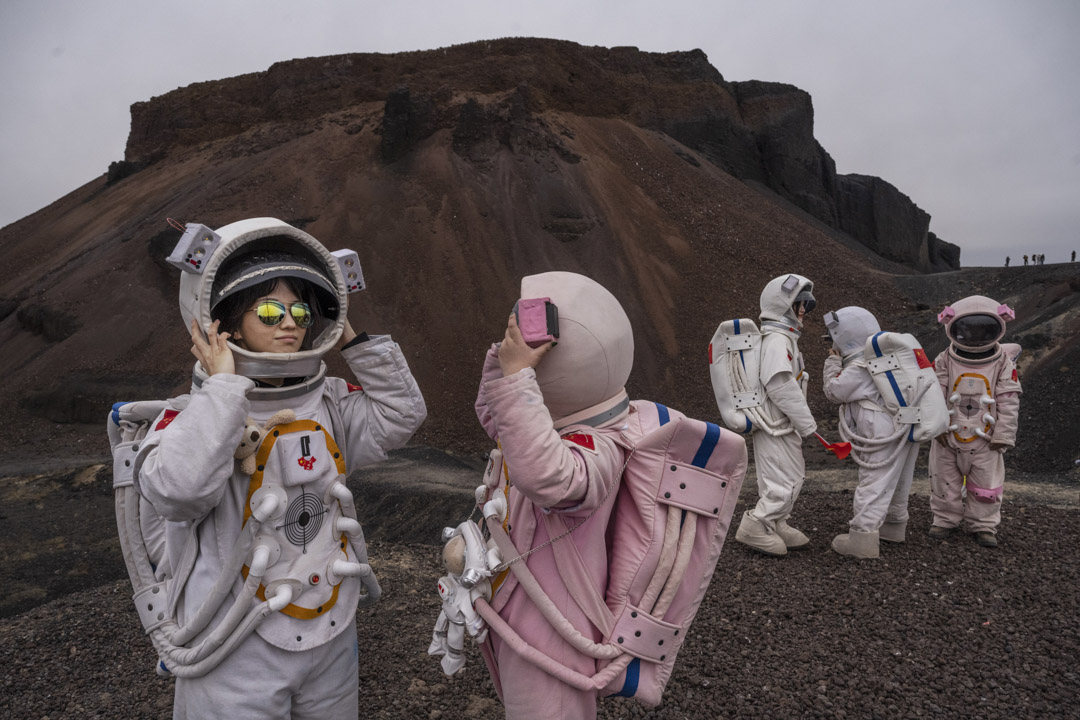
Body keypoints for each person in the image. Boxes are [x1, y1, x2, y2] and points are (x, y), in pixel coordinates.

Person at [132, 218, 427, 718]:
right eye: (268, 311)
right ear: (223, 323)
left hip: (329, 625)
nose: (289, 323)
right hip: (233, 641)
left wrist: (346, 328)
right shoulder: (189, 419)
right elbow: (179, 494)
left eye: (300, 309)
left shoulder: (327, 401)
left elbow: (401, 415)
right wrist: (224, 391)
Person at [472, 272, 634, 719]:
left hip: (557, 628)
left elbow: (549, 479)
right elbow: (497, 414)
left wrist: (518, 374)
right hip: (523, 609)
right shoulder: (549, 424)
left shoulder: (602, 444)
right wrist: (505, 361)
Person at [822, 307, 919, 559]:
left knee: (874, 478)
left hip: (880, 427)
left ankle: (862, 538)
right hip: (905, 423)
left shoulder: (860, 364)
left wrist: (832, 362)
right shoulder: (890, 357)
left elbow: (835, 391)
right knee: (898, 478)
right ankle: (893, 527)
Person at [733, 274, 818, 556]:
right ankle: (756, 524)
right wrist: (806, 424)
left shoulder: (782, 340)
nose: (804, 310)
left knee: (785, 475)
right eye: (798, 304)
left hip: (780, 423)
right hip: (775, 423)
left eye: (805, 304)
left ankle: (776, 522)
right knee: (785, 478)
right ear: (782, 304)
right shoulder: (776, 341)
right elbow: (780, 384)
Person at [929, 295, 1020, 548]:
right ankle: (944, 519)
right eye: (970, 329)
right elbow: (934, 393)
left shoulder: (1003, 362)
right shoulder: (944, 359)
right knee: (943, 480)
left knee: (986, 485)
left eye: (983, 329)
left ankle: (983, 525)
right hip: (947, 435)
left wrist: (1004, 434)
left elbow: (1009, 400)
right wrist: (936, 426)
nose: (976, 335)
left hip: (987, 439)